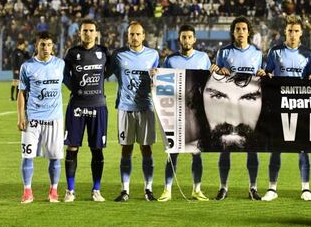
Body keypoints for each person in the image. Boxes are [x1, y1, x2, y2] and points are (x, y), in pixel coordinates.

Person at [211, 16, 266, 201]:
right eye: (237, 29)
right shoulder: (224, 53)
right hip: (228, 107)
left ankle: (253, 187)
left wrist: (262, 73)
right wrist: (218, 71)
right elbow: (214, 77)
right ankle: (223, 187)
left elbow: (263, 78)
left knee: (252, 148)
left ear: (248, 32)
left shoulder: (257, 54)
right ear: (233, 32)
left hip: (249, 108)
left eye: (243, 29)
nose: (241, 32)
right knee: (225, 146)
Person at [264, 15, 311, 202]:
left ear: (301, 33)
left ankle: (306, 189)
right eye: (290, 31)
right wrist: (264, 73)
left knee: (303, 148)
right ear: (285, 32)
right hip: (279, 105)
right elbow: (267, 73)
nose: (293, 34)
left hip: (300, 105)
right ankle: (272, 188)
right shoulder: (275, 51)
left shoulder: (309, 53)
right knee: (276, 147)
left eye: (296, 31)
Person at [158, 24, 211, 202]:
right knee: (173, 152)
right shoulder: (171, 60)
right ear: (179, 39)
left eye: (189, 37)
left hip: (196, 113)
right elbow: (163, 85)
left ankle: (197, 189)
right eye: (183, 37)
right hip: (176, 112)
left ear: (194, 39)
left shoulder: (204, 58)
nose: (186, 40)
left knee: (196, 152)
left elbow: (210, 81)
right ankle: (167, 190)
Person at [111, 21, 160, 202]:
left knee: (146, 149)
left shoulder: (153, 55)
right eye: (131, 34)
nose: (135, 37)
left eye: (138, 34)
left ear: (144, 36)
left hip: (146, 108)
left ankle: (148, 189)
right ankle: (125, 190)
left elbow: (158, 78)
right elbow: (105, 72)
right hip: (125, 108)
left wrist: (156, 76)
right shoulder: (118, 55)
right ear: (127, 36)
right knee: (126, 149)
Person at [63, 19, 110, 202]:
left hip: (98, 105)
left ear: (96, 33)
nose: (88, 33)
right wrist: (74, 88)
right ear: (80, 33)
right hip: (77, 106)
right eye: (85, 31)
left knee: (96, 149)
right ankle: (70, 190)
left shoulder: (104, 52)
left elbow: (110, 70)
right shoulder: (72, 53)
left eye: (91, 30)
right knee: (72, 147)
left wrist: (98, 83)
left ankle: (96, 190)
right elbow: (64, 75)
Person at [17, 32, 65, 203]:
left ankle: (54, 191)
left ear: (53, 46)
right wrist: (21, 117)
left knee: (54, 157)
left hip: (55, 119)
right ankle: (27, 191)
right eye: (42, 45)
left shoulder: (60, 64)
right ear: (36, 46)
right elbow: (21, 93)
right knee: (27, 155)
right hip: (33, 119)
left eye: (49, 45)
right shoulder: (27, 67)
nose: (46, 48)